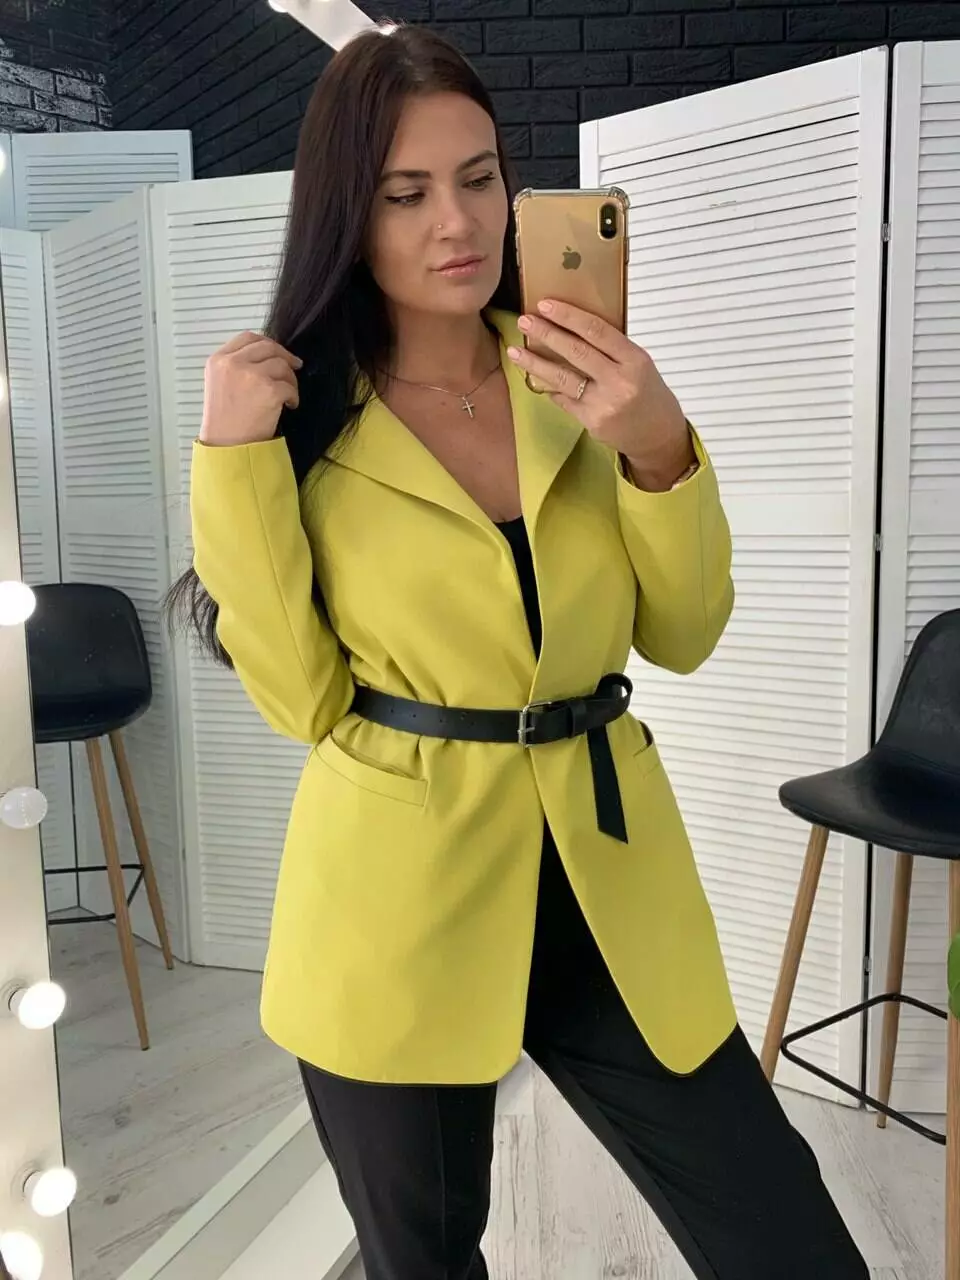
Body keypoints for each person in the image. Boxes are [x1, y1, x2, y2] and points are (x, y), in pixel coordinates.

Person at [177, 22, 869, 1280]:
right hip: (397, 898)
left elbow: (685, 631)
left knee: (787, 1237)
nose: (457, 222)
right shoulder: (302, 421)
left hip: (608, 871)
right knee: (424, 1262)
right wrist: (233, 463)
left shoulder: (582, 381)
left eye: (479, 177)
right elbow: (304, 698)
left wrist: (657, 446)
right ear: (347, 212)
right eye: (405, 193)